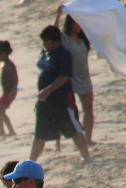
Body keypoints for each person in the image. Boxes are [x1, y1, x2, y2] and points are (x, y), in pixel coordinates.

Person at [30, 25, 91, 163]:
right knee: (39, 132)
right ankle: (31, 161)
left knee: (73, 129)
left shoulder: (64, 55)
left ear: (54, 41)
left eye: (46, 41)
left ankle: (86, 156)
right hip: (45, 102)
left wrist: (48, 90)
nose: (44, 44)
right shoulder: (45, 53)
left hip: (62, 100)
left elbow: (64, 77)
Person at [57, 13, 96, 146]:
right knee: (71, 111)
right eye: (76, 23)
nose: (79, 26)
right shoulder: (65, 39)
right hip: (70, 79)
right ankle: (68, 140)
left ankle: (88, 139)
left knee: (88, 109)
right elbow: (52, 34)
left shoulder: (83, 38)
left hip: (84, 77)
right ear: (70, 24)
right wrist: (58, 15)